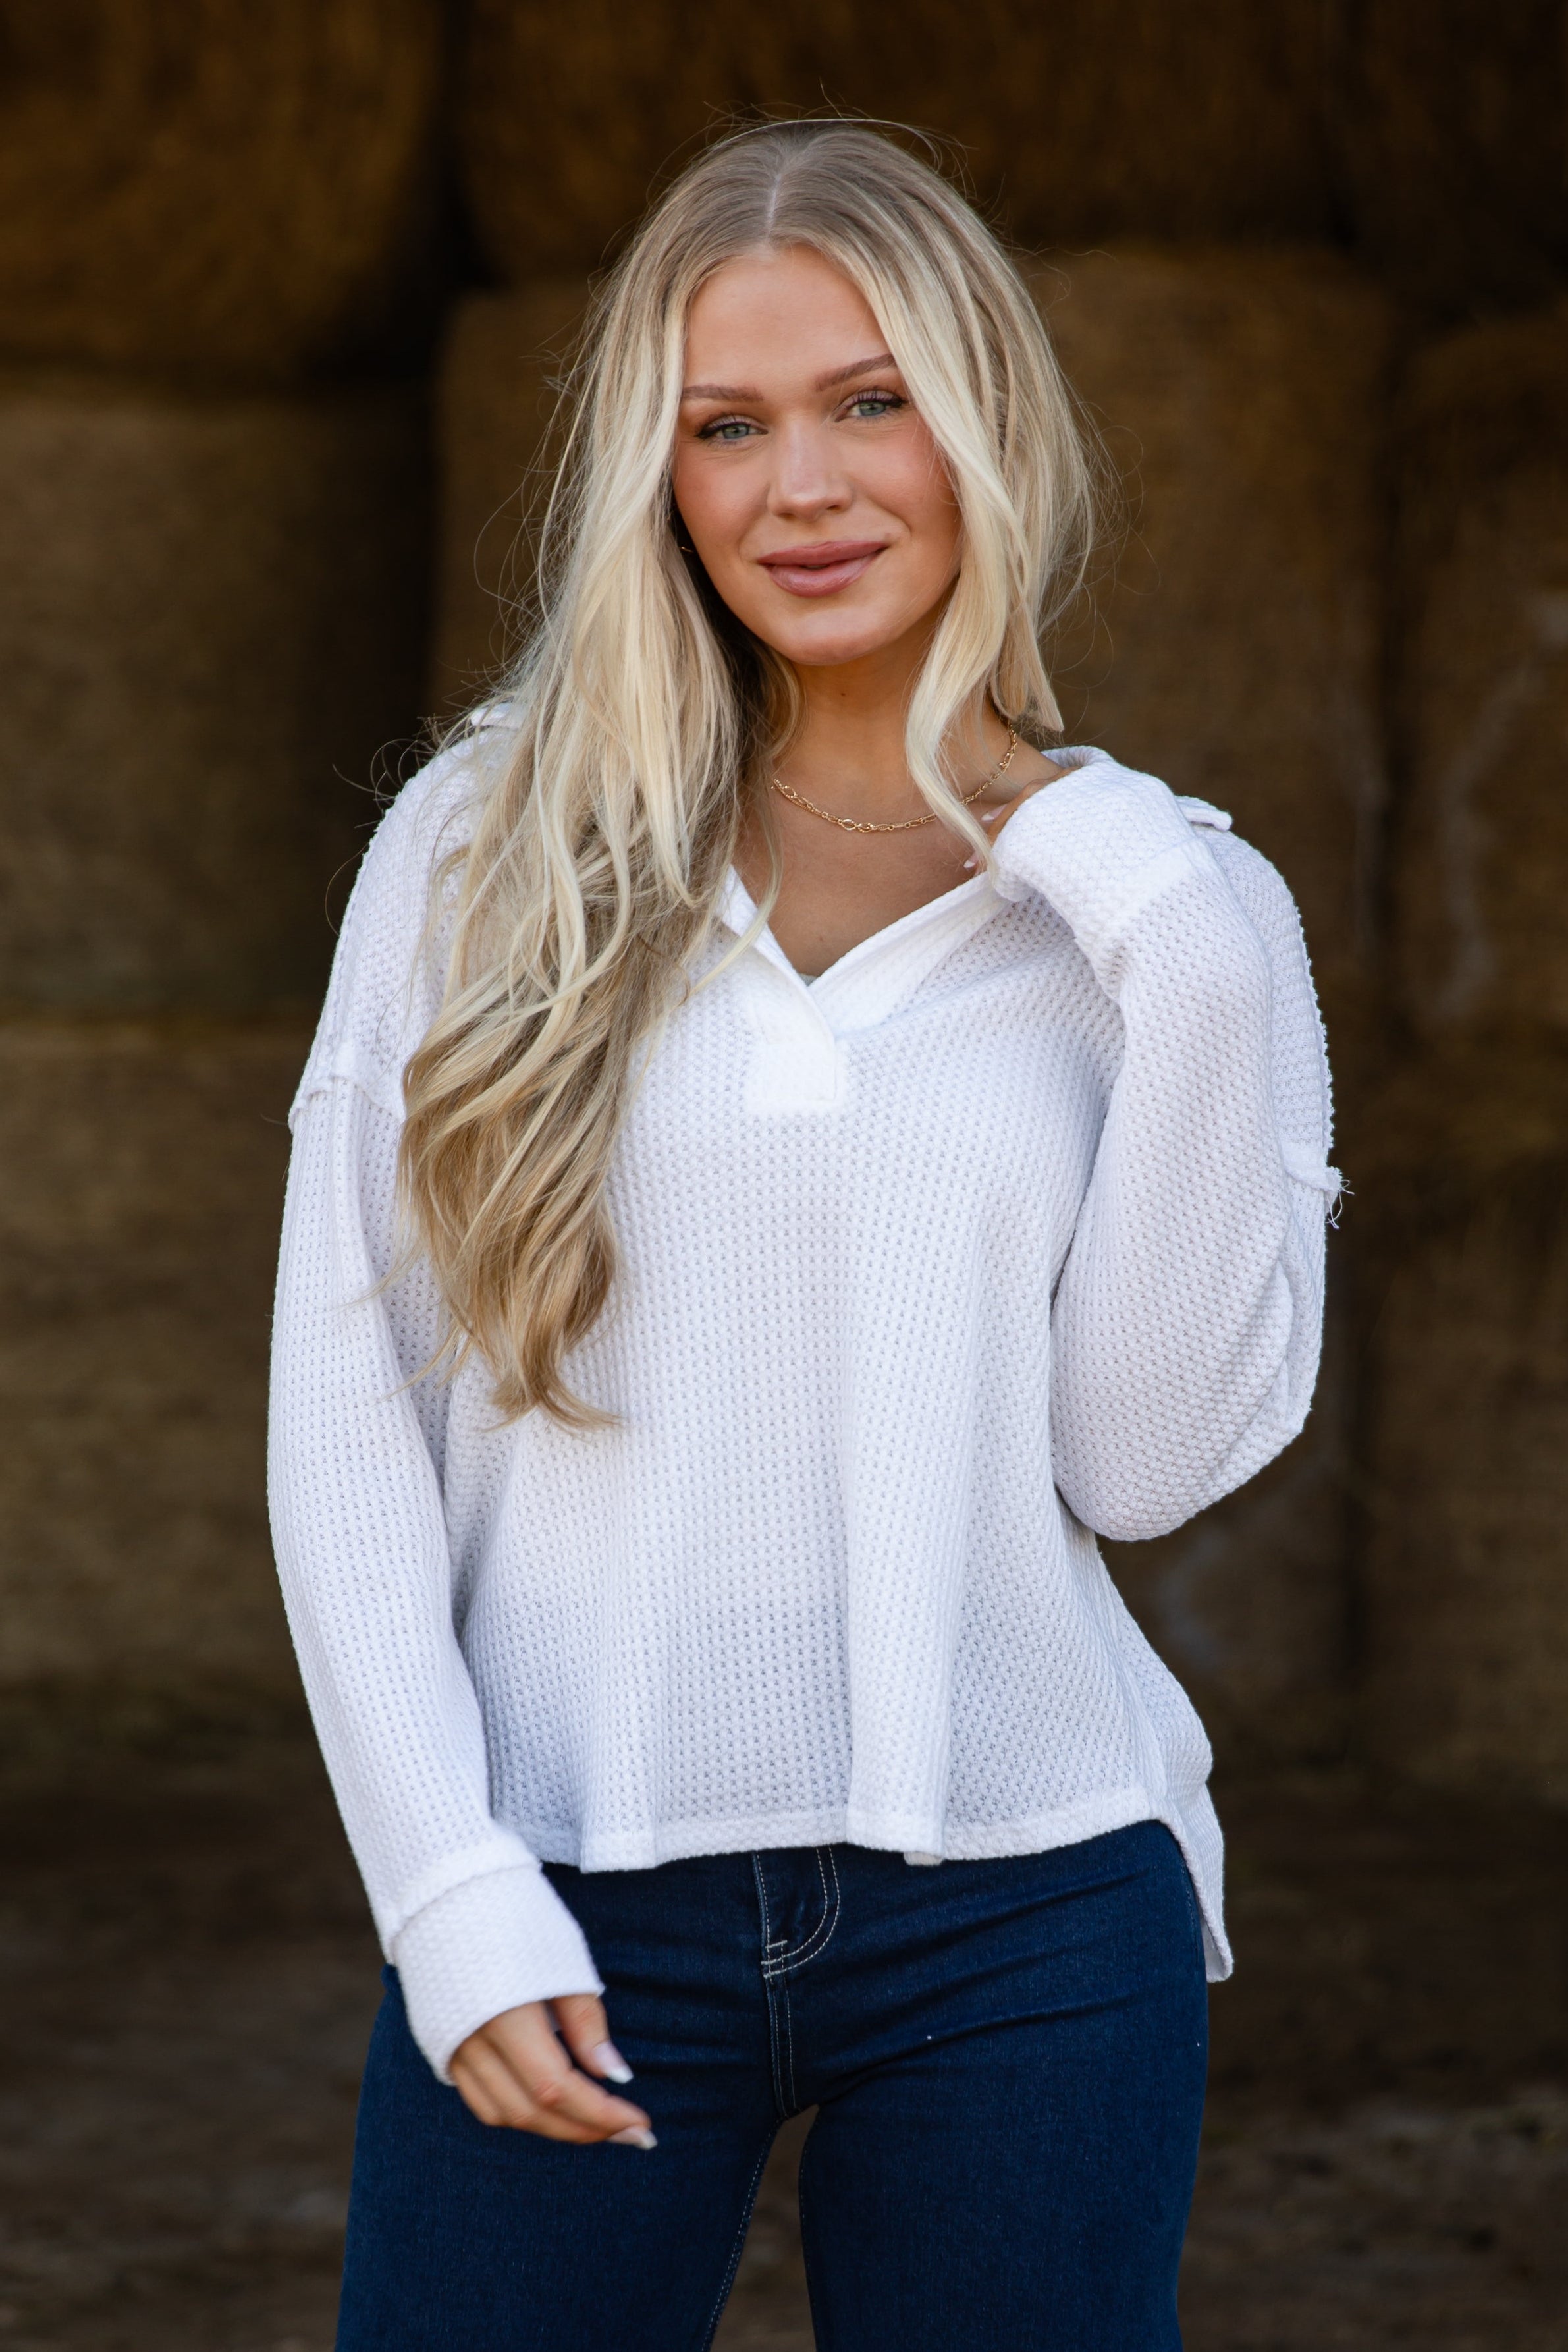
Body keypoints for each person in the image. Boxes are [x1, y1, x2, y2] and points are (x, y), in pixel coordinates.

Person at [269, 119, 1336, 2352]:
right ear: (655, 479)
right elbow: (344, 1402)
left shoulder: (1173, 911)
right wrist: (446, 1887)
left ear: (988, 423)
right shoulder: (483, 850)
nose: (802, 486)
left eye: (871, 401)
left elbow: (1139, 1466)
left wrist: (1181, 940)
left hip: (1032, 1916)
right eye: (724, 426)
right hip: (563, 1882)